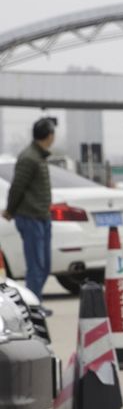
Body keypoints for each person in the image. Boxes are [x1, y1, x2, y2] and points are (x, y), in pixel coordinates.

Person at [3, 118, 55, 301]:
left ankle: (35, 303)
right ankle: (33, 308)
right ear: (49, 136)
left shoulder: (39, 156)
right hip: (30, 217)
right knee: (36, 266)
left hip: (42, 216)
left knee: (45, 266)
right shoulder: (29, 157)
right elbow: (17, 187)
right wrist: (10, 210)